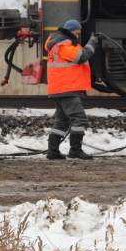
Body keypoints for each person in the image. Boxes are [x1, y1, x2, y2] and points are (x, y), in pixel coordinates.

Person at [45, 19, 99, 160]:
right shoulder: (64, 44)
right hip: (66, 88)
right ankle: (75, 150)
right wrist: (93, 42)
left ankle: (52, 151)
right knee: (79, 118)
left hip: (60, 88)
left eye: (80, 30)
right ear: (69, 30)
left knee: (62, 120)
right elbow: (82, 56)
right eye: (76, 31)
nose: (79, 33)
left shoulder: (58, 43)